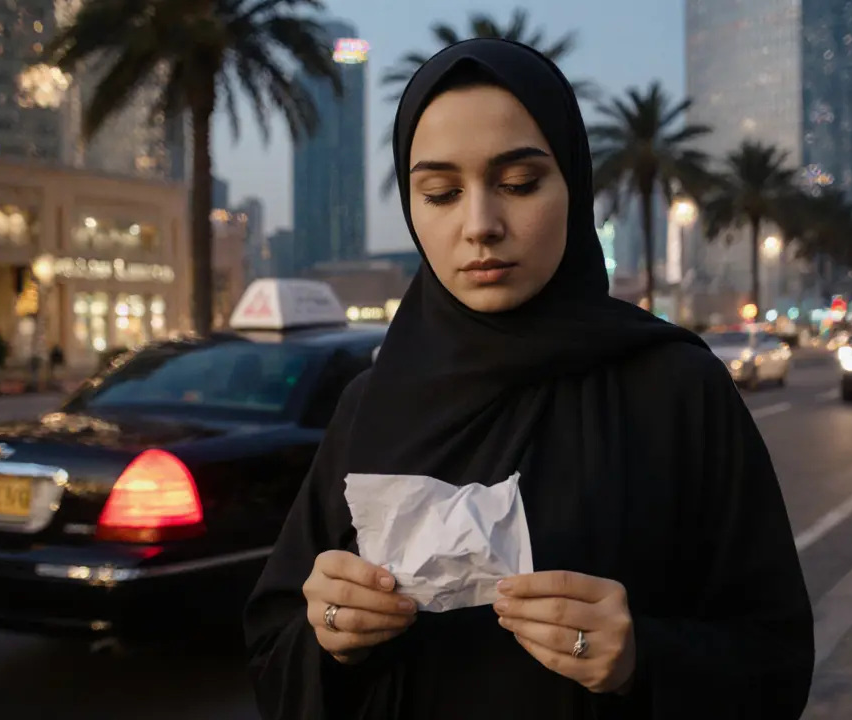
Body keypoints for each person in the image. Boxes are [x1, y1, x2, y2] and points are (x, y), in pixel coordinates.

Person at [244, 38, 814, 719]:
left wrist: (642, 660)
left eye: (518, 184)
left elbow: (774, 661)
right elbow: (275, 646)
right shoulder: (373, 403)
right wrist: (330, 634)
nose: (480, 225)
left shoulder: (678, 391)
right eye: (441, 192)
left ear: (571, 184)